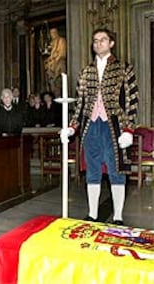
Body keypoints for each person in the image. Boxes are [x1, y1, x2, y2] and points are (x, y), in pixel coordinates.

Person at [60, 28, 139, 225]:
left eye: (102, 40)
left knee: (116, 171)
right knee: (92, 170)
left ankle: (118, 216)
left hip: (114, 126)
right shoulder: (86, 72)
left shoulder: (124, 68)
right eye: (95, 40)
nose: (98, 43)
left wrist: (128, 129)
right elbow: (80, 103)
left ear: (111, 43)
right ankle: (93, 213)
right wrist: (72, 127)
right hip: (91, 127)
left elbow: (132, 101)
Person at [44, 28, 67, 97]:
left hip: (58, 64)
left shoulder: (61, 41)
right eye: (51, 33)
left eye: (54, 33)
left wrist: (55, 59)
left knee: (58, 82)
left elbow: (62, 53)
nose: (52, 35)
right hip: (51, 66)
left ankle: (58, 95)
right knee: (51, 83)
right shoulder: (51, 43)